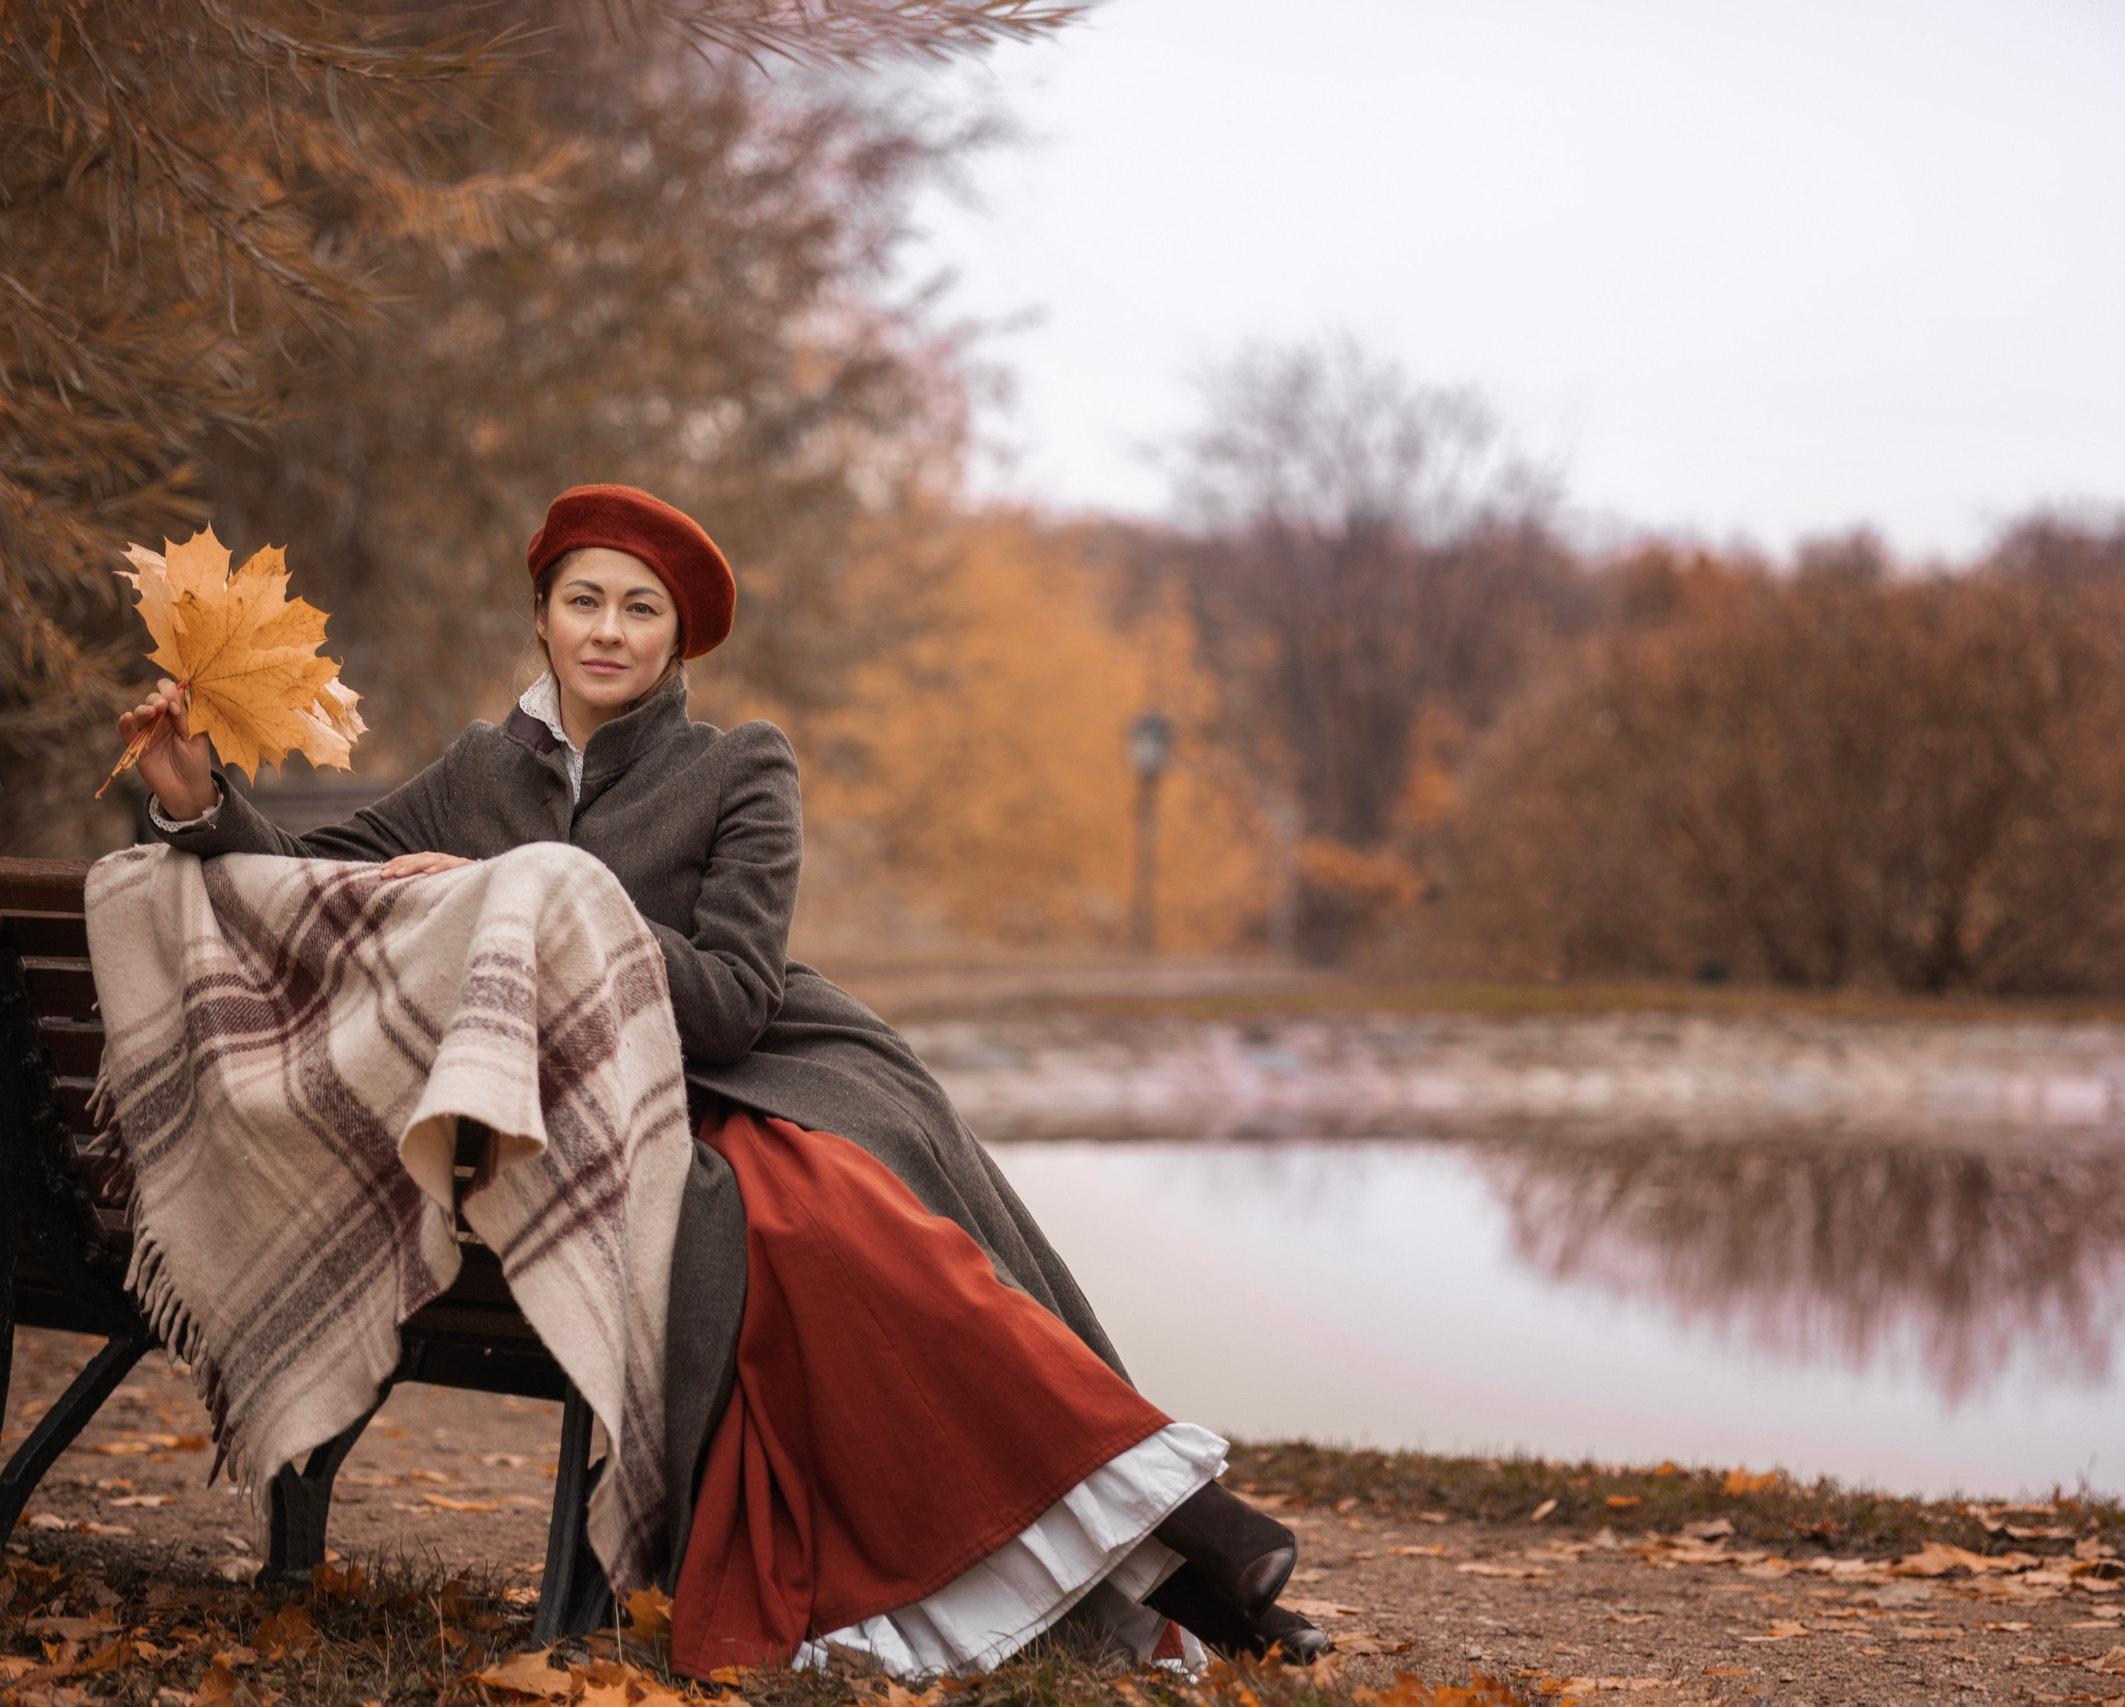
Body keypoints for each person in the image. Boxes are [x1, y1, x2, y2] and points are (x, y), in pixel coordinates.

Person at [116, 484, 1327, 1676]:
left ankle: (1175, 1537)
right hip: (589, 1117)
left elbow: (736, 1000)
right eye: (583, 600)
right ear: (540, 618)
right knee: (813, 1232)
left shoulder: (742, 767)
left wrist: (548, 902)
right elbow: (306, 882)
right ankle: (1176, 1540)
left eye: (639, 609)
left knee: (833, 1219)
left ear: (677, 640)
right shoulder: (478, 774)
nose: (606, 630)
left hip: (749, 1077)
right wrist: (196, 799)